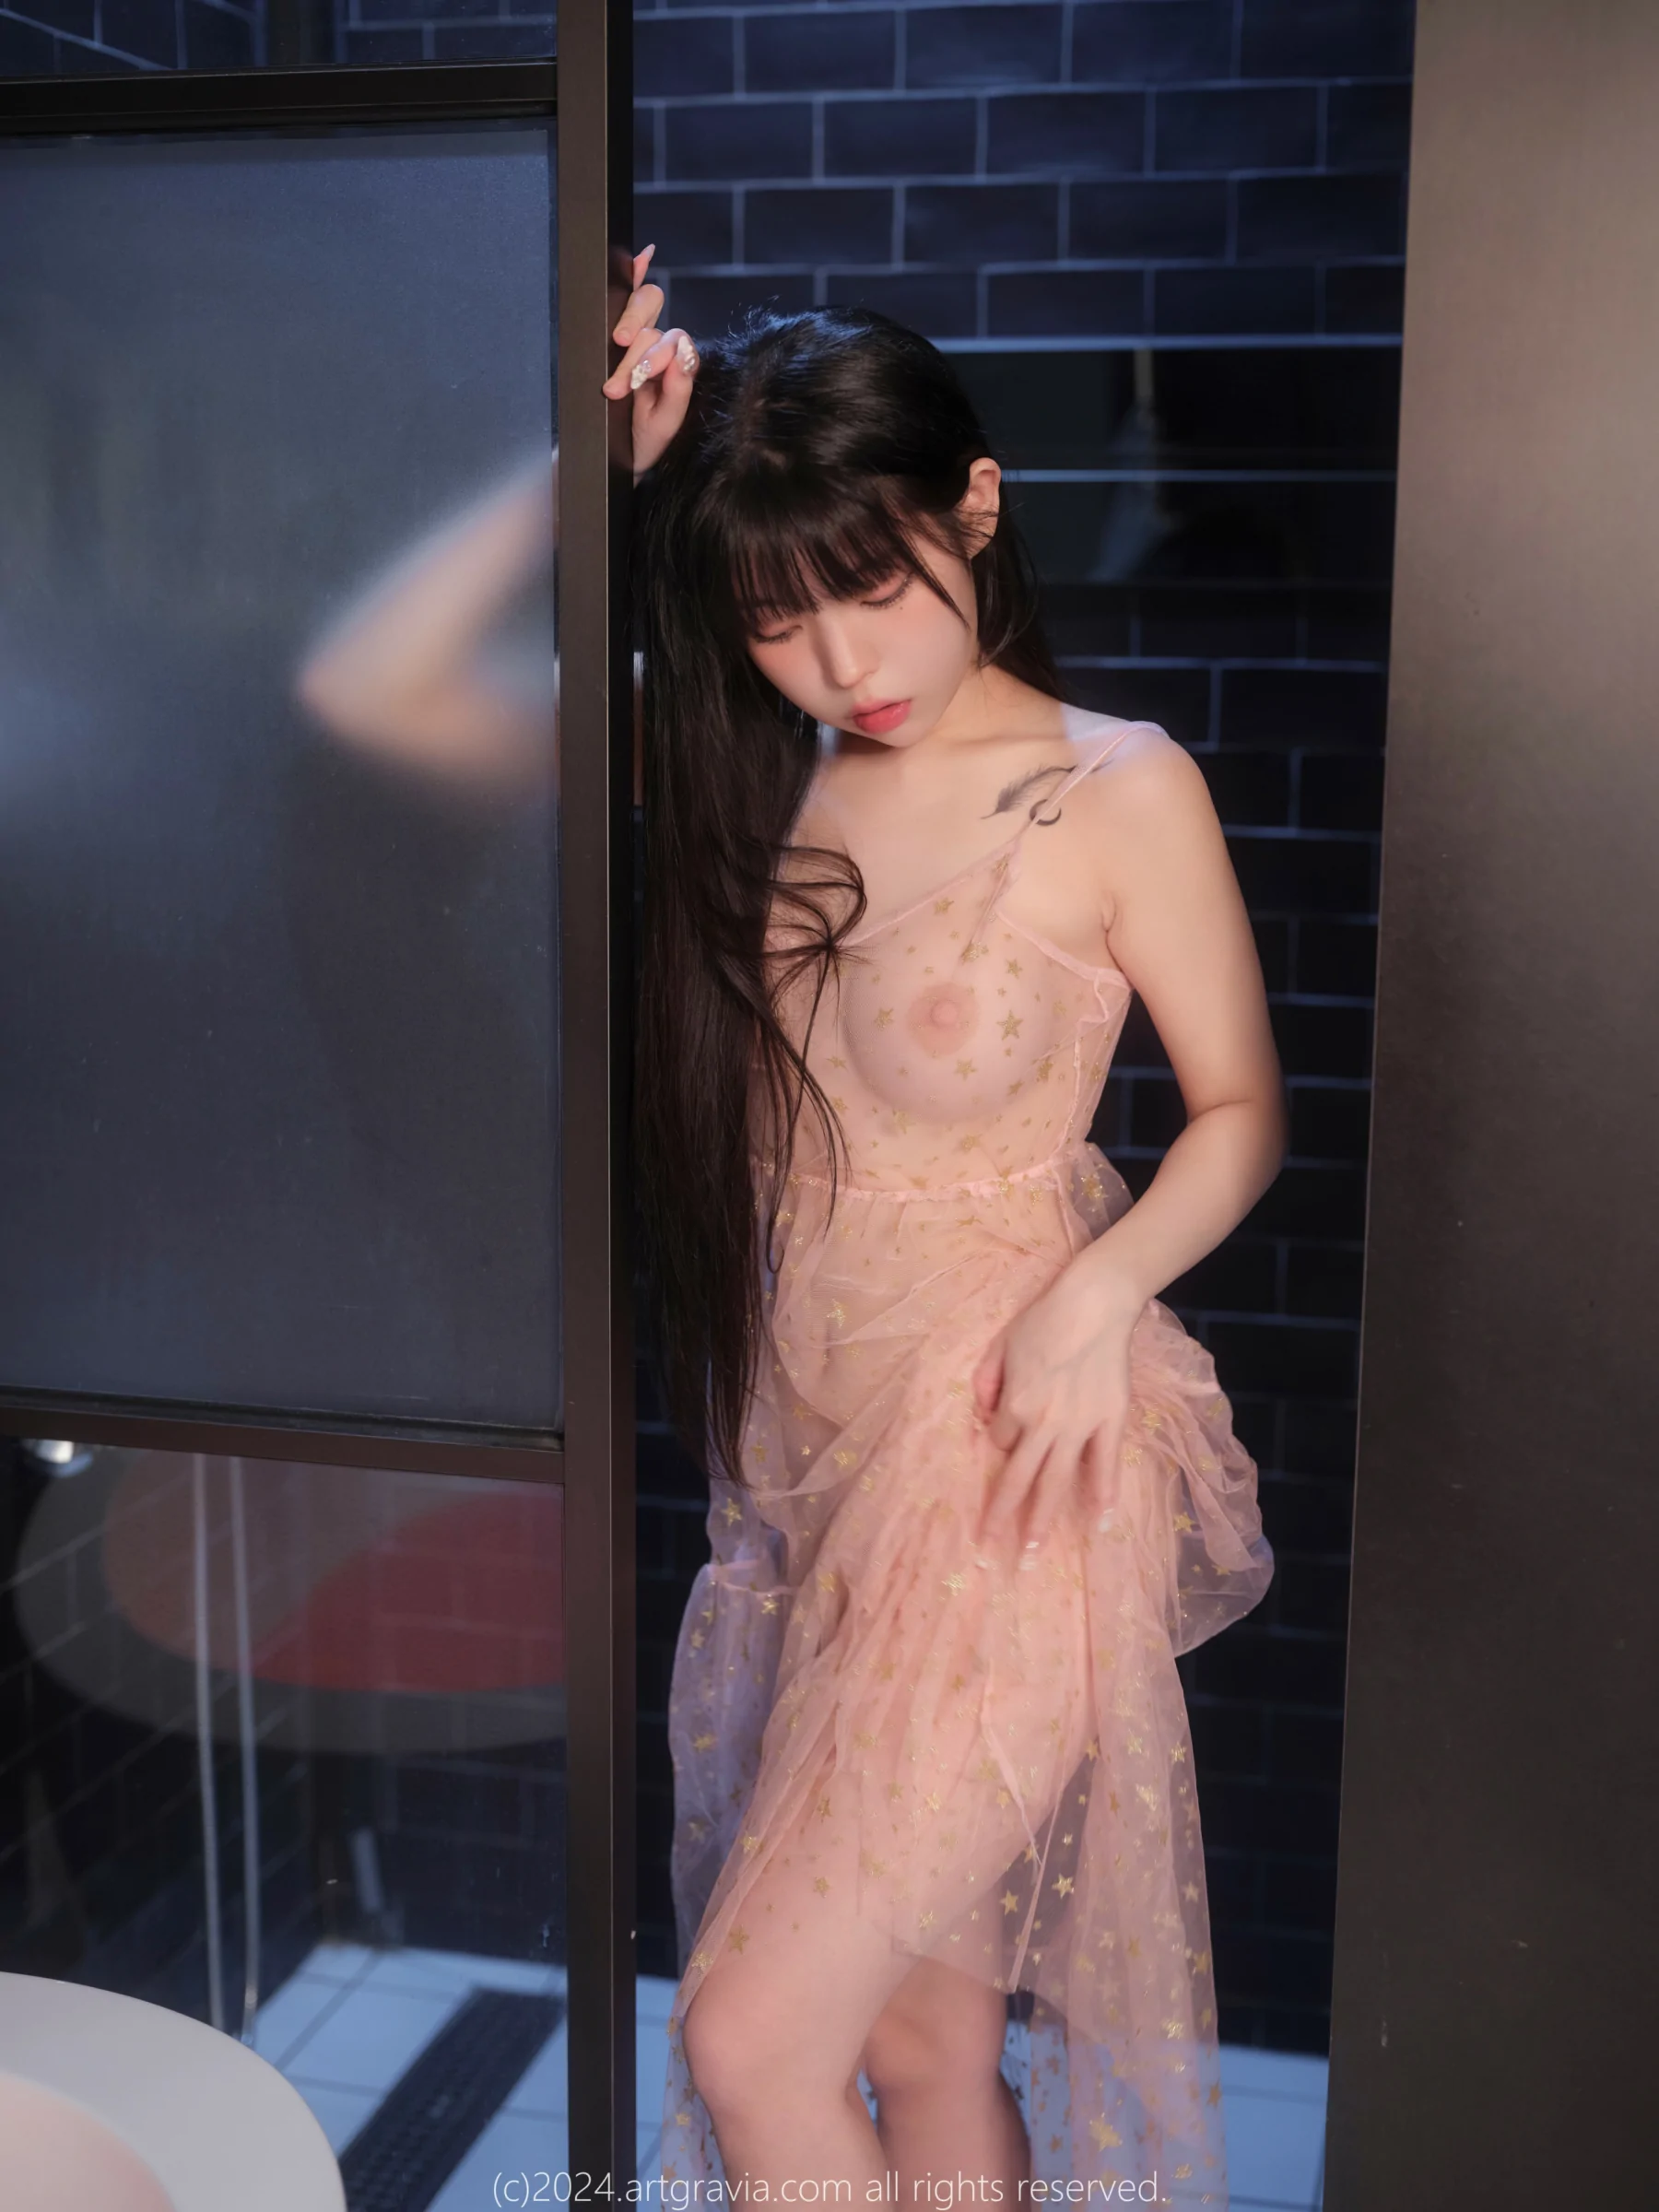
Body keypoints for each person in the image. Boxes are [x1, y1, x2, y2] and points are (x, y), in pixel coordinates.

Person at [610, 264, 1281, 2211]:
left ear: (975, 506)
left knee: (752, 2042)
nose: (841, 659)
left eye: (873, 583)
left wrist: (1097, 1293)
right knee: (916, 2046)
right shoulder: (758, 771)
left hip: (1007, 1467)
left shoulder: (1115, 788)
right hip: (803, 1468)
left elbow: (1242, 1114)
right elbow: (379, 695)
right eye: (778, 615)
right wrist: (609, 479)